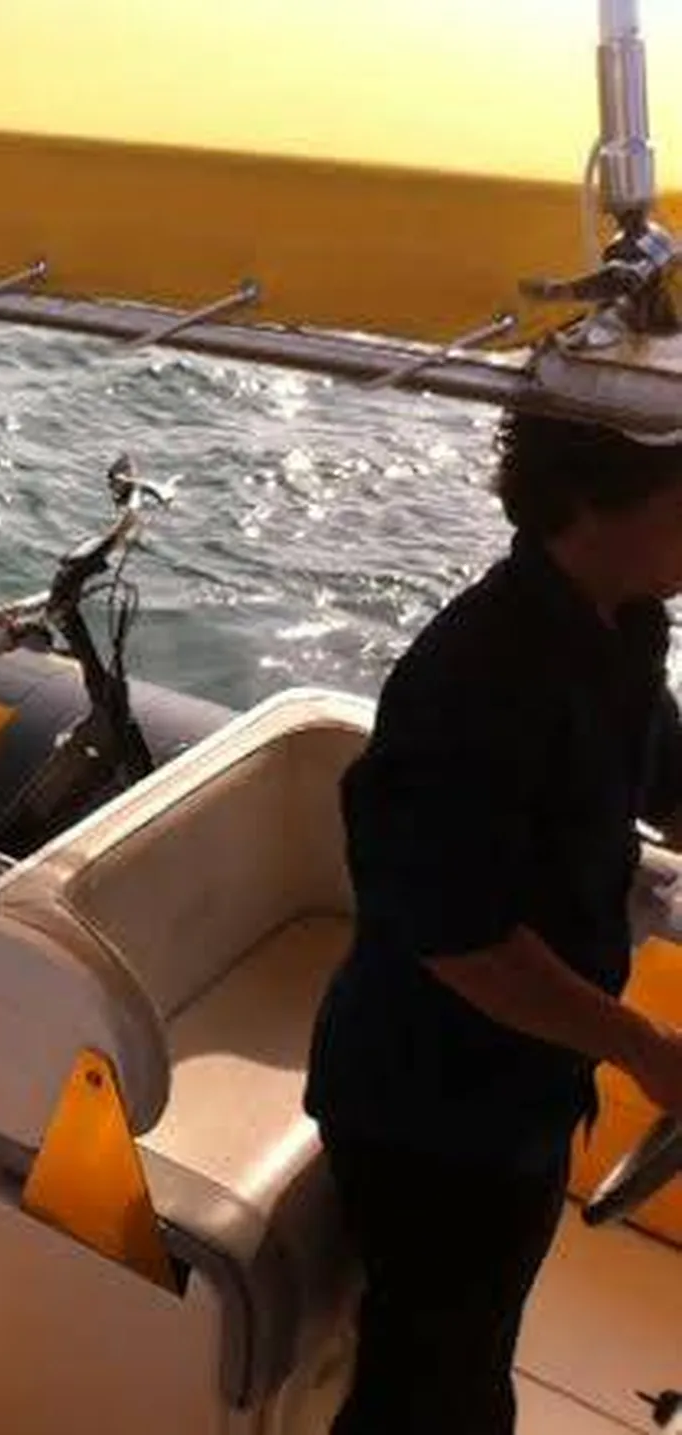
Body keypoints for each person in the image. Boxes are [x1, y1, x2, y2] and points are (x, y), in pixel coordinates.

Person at [304, 407, 682, 1435]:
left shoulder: (624, 620)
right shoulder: (477, 677)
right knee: (430, 1387)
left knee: (470, 1351)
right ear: (597, 500)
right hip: (428, 1104)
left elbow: (664, 777)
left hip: (526, 1087)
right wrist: (647, 1049)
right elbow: (463, 942)